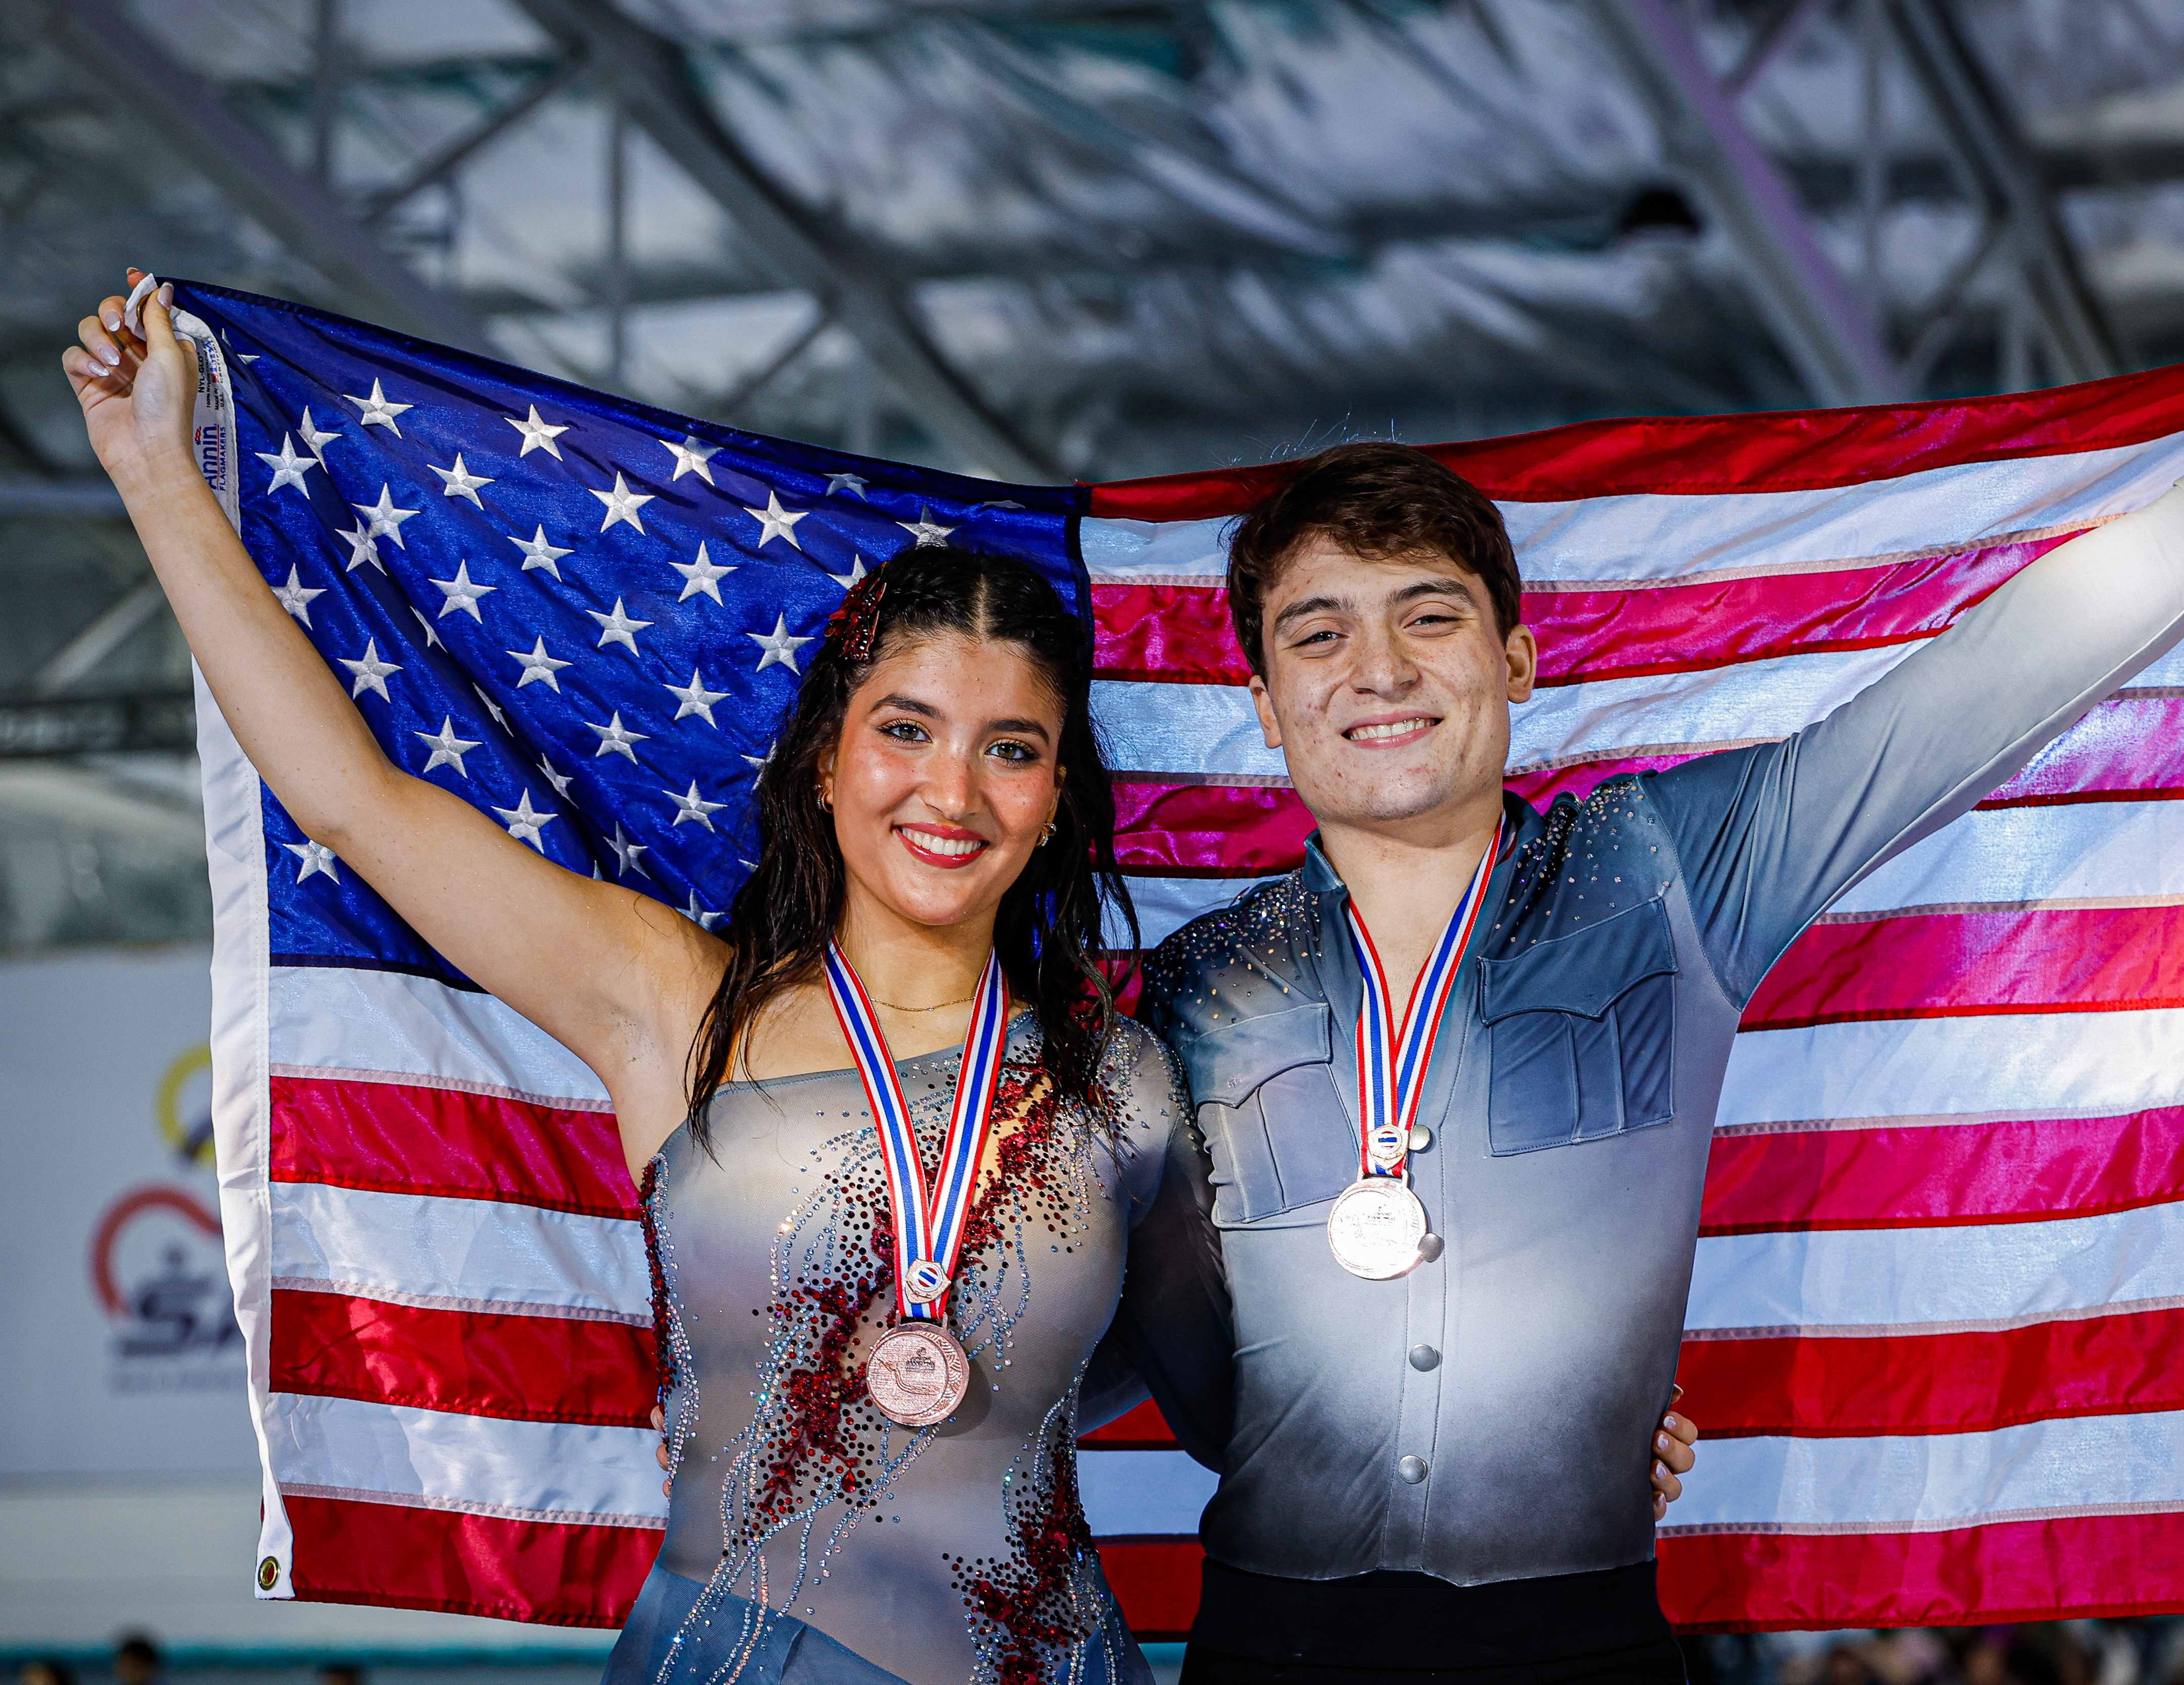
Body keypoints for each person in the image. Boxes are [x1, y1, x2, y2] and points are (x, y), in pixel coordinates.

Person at [62, 276, 1695, 1685]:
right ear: (830, 764)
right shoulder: (670, 1005)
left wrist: (1545, 1435)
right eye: (906, 733)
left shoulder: (1118, 1084)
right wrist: (156, 481)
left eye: (1013, 751)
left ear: (1056, 800)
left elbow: (1246, 1405)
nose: (953, 793)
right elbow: (352, 799)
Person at [1135, 338, 2184, 1682]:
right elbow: (1187, 1372)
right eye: (1320, 633)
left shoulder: (1671, 870)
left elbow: (1980, 690)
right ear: (1262, 700)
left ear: (1520, 660)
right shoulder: (1197, 990)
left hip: (1578, 1643)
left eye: (1428, 616)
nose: (1377, 667)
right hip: (1270, 1641)